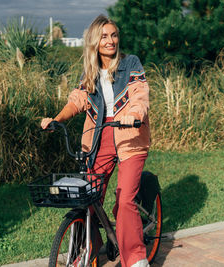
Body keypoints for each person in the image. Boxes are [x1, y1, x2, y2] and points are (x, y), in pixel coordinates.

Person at [41, 14, 150, 267]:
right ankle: (90, 246)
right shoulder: (90, 71)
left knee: (124, 201)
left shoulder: (130, 63)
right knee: (87, 196)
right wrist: (57, 119)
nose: (110, 40)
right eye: (104, 36)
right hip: (97, 139)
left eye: (113, 35)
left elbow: (139, 94)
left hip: (129, 137)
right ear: (94, 41)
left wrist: (134, 115)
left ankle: (136, 259)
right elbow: (78, 100)